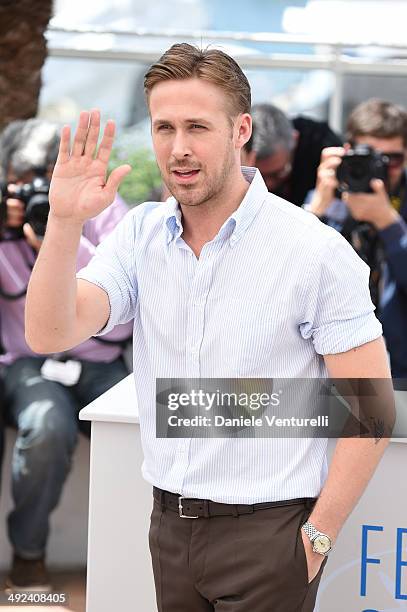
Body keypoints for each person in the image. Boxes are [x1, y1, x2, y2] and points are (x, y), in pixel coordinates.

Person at [25, 44, 393, 612]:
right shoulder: (139, 236)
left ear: (240, 129)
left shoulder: (314, 250)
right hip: (170, 529)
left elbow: (370, 407)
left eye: (197, 126)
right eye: (163, 127)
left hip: (272, 536)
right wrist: (67, 222)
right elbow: (49, 334)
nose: (179, 148)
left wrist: (315, 540)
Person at [0, 118, 133, 592]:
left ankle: (141, 556)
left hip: (101, 360)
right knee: (47, 425)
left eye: (45, 177)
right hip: (28, 363)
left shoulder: (103, 206)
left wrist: (61, 235)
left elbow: (123, 298)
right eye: (24, 182)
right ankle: (29, 557)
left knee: (147, 424)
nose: (37, 193)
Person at [305, 99, 407, 379]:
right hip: (335, 370)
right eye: (370, 157)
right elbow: (291, 275)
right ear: (346, 152)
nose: (382, 168)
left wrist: (389, 223)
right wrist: (317, 210)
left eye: (393, 159)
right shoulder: (330, 197)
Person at [241, 103, 342, 206]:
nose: (269, 185)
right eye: (258, 175)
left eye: (278, 174)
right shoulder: (232, 159)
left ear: (295, 139)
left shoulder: (321, 144)